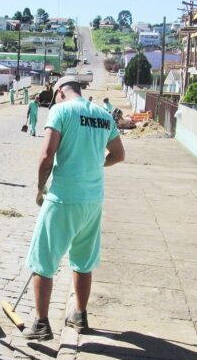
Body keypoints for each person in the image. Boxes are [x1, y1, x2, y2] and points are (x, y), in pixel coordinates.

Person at [21, 76, 126, 340]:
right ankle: (79, 314)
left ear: (60, 92)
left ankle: (41, 324)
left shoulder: (60, 110)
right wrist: (93, 165)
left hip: (64, 198)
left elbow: (46, 156)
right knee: (83, 260)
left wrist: (39, 188)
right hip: (92, 199)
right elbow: (119, 154)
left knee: (43, 260)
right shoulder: (103, 115)